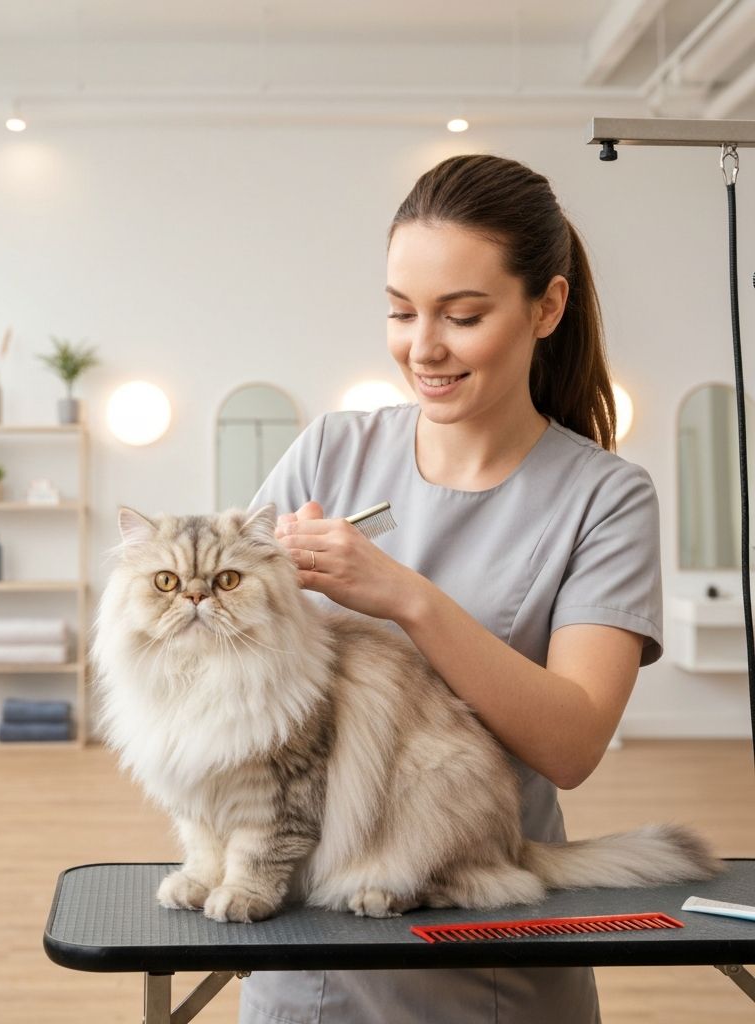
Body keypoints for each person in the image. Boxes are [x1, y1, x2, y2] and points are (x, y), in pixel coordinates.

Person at [238, 153, 661, 1024]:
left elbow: (573, 744)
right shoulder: (331, 451)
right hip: (307, 956)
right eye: (401, 312)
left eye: (461, 316)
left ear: (546, 306)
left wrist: (407, 597)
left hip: (485, 950)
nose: (422, 347)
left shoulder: (606, 499)